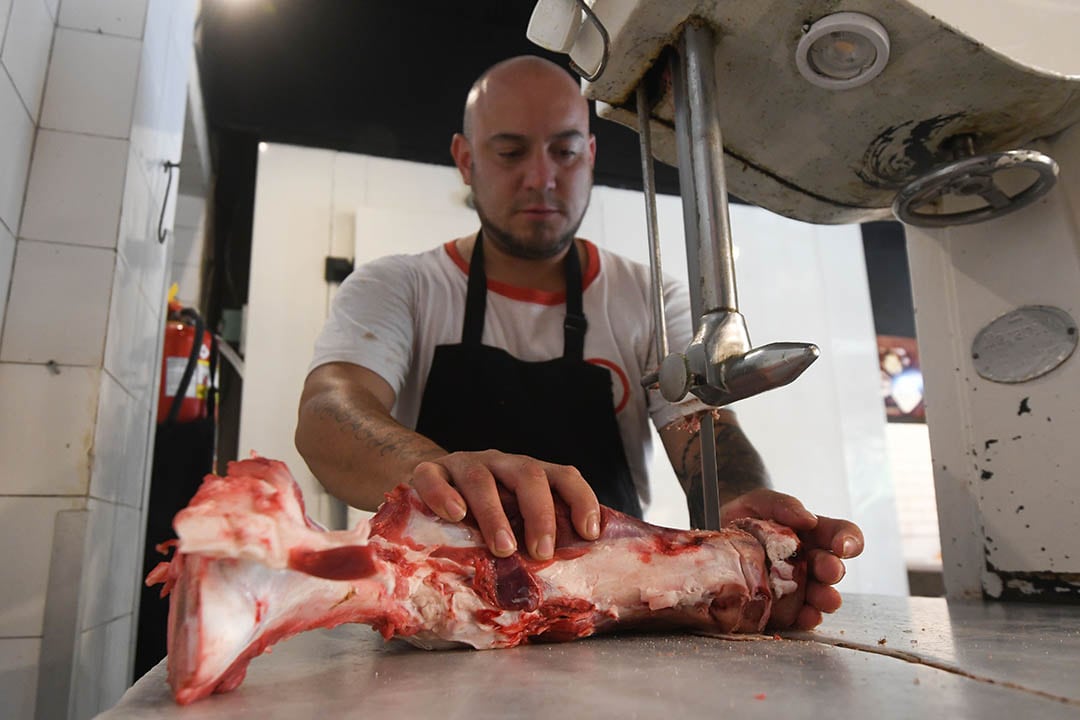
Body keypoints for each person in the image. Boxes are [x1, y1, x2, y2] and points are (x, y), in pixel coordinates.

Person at [296, 55, 863, 630]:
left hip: (608, 616)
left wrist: (740, 505)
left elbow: (703, 433)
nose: (541, 176)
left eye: (564, 152)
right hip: (438, 613)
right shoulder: (402, 287)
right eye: (511, 152)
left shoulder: (646, 298)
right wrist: (438, 470)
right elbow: (327, 412)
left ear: (590, 157)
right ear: (465, 160)